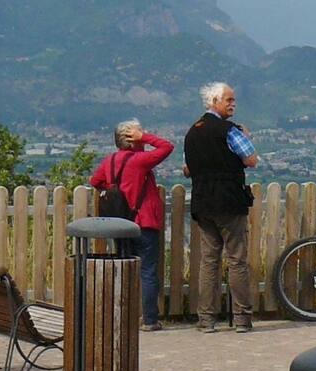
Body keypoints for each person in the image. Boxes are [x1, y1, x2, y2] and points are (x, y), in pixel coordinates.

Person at [183, 82, 258, 333]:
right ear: (214, 101)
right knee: (237, 260)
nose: (232, 104)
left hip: (203, 203)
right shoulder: (229, 130)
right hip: (229, 201)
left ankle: (206, 320)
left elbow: (187, 169)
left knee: (209, 261)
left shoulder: (192, 132)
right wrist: (246, 137)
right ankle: (242, 319)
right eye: (228, 100)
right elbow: (251, 160)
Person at [88, 120, 172, 332]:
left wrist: (114, 190)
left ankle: (122, 316)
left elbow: (95, 181)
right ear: (132, 140)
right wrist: (145, 137)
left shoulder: (110, 161)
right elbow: (167, 147)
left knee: (124, 269)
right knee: (148, 271)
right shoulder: (140, 161)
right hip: (143, 222)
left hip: (121, 224)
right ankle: (150, 320)